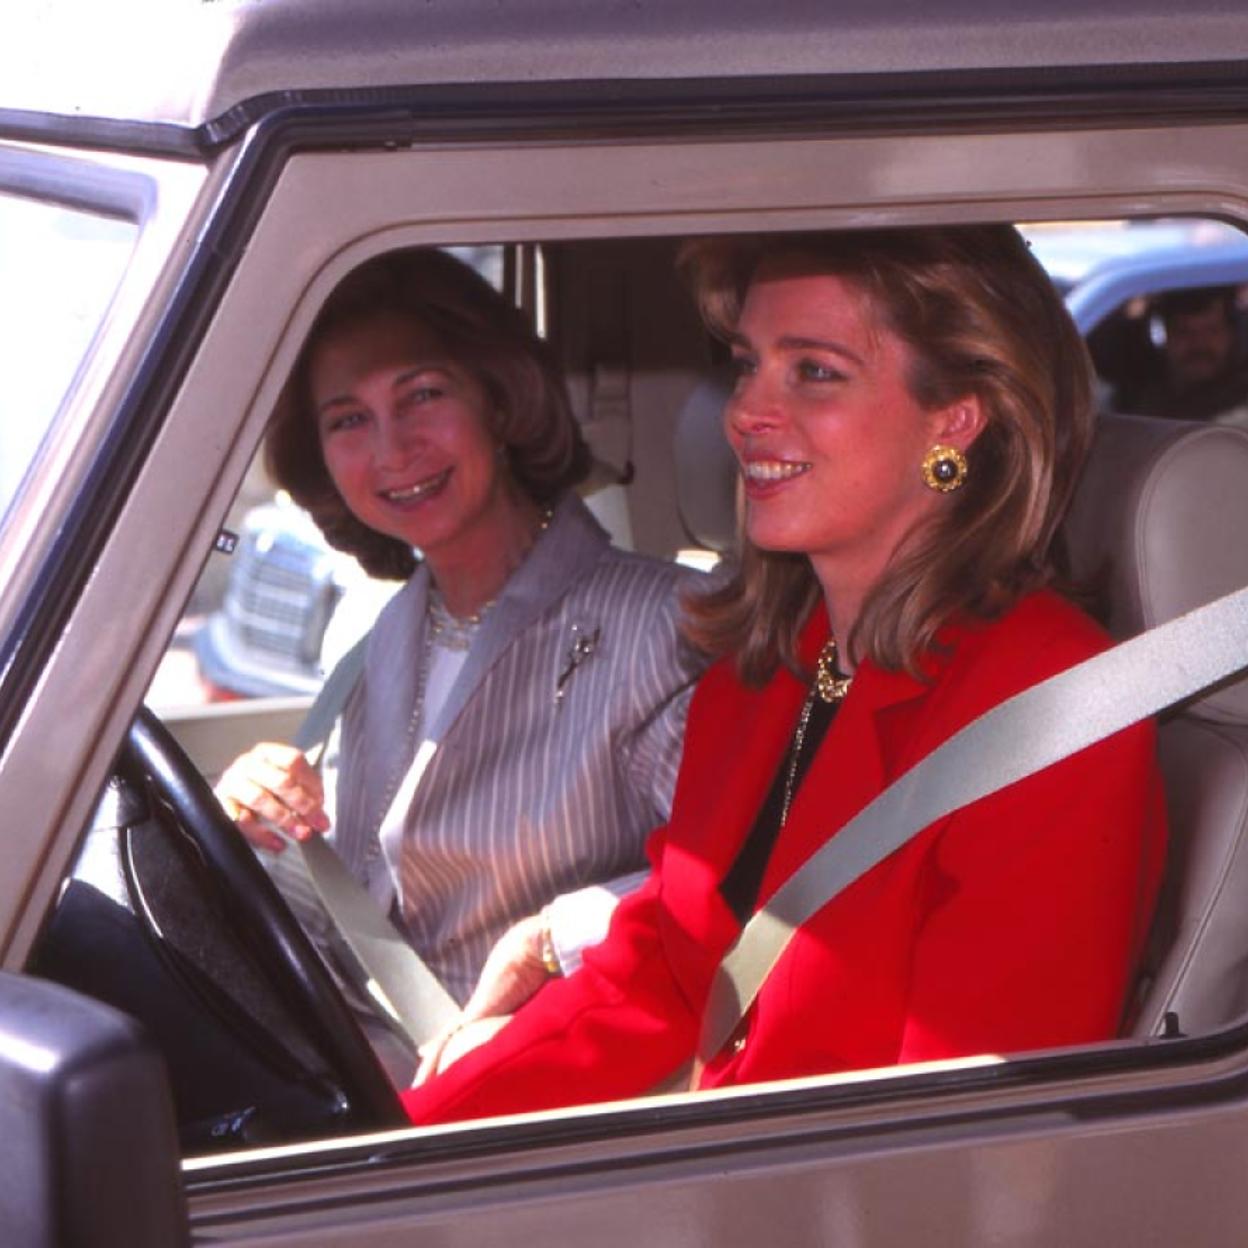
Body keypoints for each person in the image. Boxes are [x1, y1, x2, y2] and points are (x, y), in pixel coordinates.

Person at [401, 224, 1168, 1123]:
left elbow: (973, 1142)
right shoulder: (770, 672)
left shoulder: (1048, 717)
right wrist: (395, 1137)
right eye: (746, 365)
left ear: (955, 417)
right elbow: (667, 968)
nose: (744, 413)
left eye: (814, 371)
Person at [215, 248, 706, 1073]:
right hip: (360, 1066)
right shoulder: (375, 628)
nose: (393, 449)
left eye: (424, 396)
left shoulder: (662, 625)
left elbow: (730, 882)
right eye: (348, 420)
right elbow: (387, 887)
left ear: (501, 400)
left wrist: (554, 940)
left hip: (528, 1103)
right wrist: (260, 811)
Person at [1130, 285, 1248, 428]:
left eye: (1211, 330)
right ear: (1163, 337)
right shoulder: (1138, 410)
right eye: (1184, 331)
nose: (1199, 342)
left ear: (1232, 335)